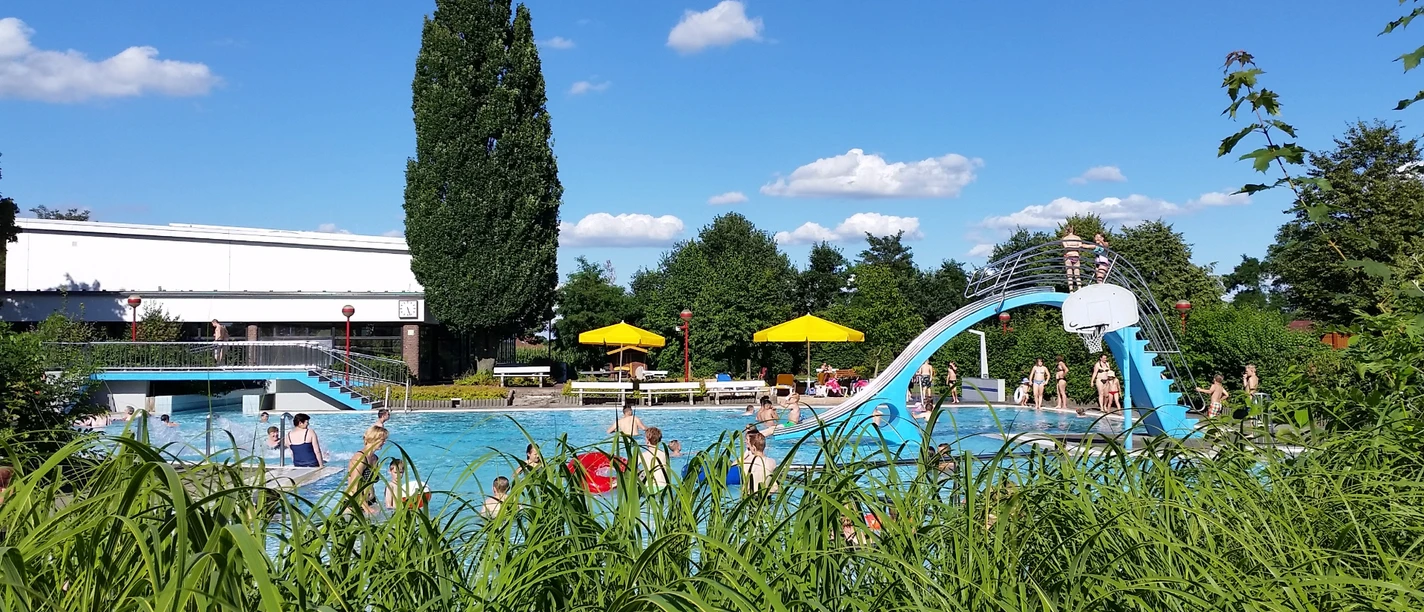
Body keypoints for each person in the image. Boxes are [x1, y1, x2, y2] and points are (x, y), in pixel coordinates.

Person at [345, 425, 389, 515]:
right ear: (374, 439)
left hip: (371, 501)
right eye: (382, 440)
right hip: (356, 503)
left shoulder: (375, 458)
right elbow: (354, 486)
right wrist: (366, 507)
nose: (384, 442)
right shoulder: (359, 458)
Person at [740, 430, 778, 496]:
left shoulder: (745, 463)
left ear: (753, 447)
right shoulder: (772, 462)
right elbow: (775, 486)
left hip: (749, 497)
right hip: (766, 498)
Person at [640, 427, 671, 491]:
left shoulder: (642, 455)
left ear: (647, 440)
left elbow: (630, 468)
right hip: (664, 487)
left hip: (650, 487)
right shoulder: (664, 454)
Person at [1062, 225, 1084, 291]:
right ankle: (1079, 288)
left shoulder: (1065, 238)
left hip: (1068, 255)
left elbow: (1066, 247)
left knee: (1069, 275)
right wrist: (1075, 247)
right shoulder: (1078, 238)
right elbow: (1080, 246)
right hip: (1076, 255)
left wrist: (1070, 246)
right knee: (1077, 274)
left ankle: (1071, 290)